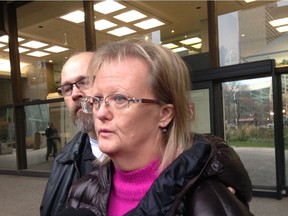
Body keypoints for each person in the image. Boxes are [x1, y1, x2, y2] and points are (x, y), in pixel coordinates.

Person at [59, 38, 253, 215]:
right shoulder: (82, 191)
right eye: (97, 99)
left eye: (119, 99)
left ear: (165, 114)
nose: (100, 113)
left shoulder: (206, 200)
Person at [40, 52, 104, 216]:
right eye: (67, 89)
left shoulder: (147, 156)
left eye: (84, 82)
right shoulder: (64, 160)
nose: (75, 93)